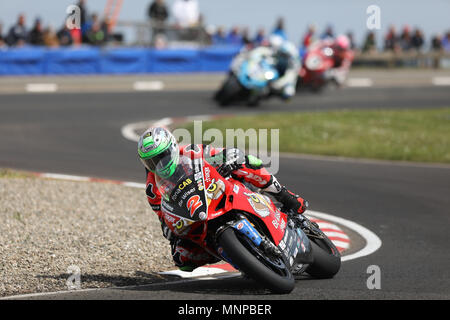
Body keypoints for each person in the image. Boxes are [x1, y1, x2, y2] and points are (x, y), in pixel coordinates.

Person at [138, 127, 309, 272]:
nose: (159, 164)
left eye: (163, 156)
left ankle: (285, 195)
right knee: (182, 259)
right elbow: (163, 216)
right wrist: (170, 230)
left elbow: (219, 154)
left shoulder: (191, 151)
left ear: (173, 147)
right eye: (151, 162)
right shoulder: (152, 188)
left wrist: (228, 158)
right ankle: (241, 258)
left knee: (248, 162)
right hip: (198, 214)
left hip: (219, 188)